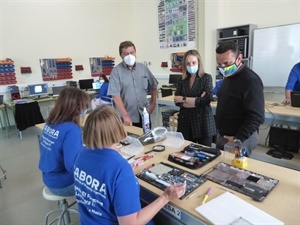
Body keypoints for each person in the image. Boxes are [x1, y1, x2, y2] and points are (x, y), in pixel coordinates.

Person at [74, 105, 186, 225]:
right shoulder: (120, 168)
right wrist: (166, 197)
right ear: (117, 129)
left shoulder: (82, 154)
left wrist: (124, 176)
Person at [215, 40, 265, 156]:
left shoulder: (251, 81)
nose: (223, 68)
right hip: (224, 135)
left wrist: (238, 138)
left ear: (239, 58)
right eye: (219, 65)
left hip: (239, 138)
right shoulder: (228, 76)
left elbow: (257, 116)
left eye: (227, 64)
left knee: (236, 171)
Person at [38, 87, 88, 196]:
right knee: (103, 180)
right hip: (63, 184)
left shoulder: (50, 122)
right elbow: (72, 166)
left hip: (48, 178)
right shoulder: (72, 129)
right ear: (76, 108)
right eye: (84, 107)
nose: (85, 110)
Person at [108, 41, 158, 128]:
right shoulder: (116, 71)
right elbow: (115, 95)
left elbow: (154, 85)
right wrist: (125, 115)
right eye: (126, 54)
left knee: (147, 139)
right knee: (130, 140)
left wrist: (153, 103)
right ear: (121, 55)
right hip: (127, 116)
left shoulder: (143, 68)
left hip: (144, 114)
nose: (130, 56)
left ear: (135, 52)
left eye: (132, 52)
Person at [174, 49, 216, 147]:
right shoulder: (182, 80)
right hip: (186, 123)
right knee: (186, 153)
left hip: (203, 123)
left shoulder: (206, 78)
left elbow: (206, 100)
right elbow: (177, 101)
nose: (191, 66)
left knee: (205, 154)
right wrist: (197, 100)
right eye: (188, 63)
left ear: (199, 62)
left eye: (193, 62)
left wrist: (183, 99)